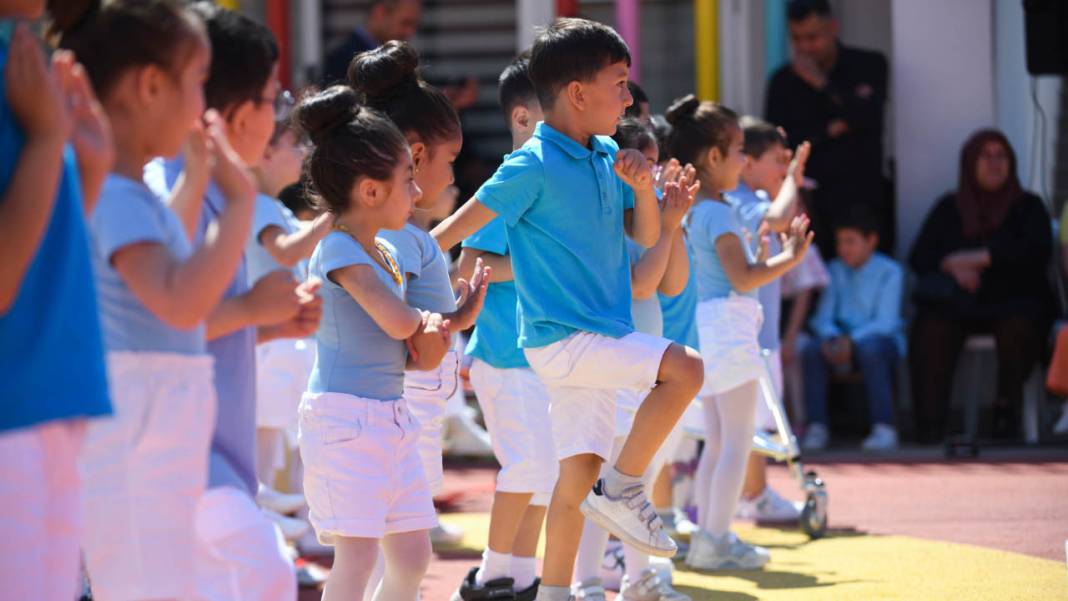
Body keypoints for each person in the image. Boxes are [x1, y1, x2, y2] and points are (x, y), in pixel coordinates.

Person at [431, 19, 706, 601]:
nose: (629, 98)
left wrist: (642, 192)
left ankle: (555, 590)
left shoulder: (609, 153)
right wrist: (395, 254)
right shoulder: (530, 164)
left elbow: (645, 232)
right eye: (620, 83)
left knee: (574, 478)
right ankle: (625, 487)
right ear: (578, 93)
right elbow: (457, 230)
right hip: (566, 340)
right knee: (687, 368)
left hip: (596, 339)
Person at [58, 3, 256, 598]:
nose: (204, 104)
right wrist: (239, 207)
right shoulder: (117, 196)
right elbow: (176, 299)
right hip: (139, 414)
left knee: (161, 575)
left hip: (153, 407)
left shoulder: (130, 194)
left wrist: (197, 180)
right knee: (147, 581)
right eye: (197, 82)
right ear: (149, 86)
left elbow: (162, 256)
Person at [145, 5, 318, 598]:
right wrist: (250, 311)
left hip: (207, 456)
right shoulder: (175, 191)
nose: (278, 115)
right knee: (266, 577)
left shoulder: (216, 188)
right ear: (243, 112)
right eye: (275, 98)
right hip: (181, 458)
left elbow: (196, 325)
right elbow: (158, 320)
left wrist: (266, 324)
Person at [294, 84, 453, 601]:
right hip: (344, 420)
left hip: (389, 417)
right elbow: (396, 321)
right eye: (407, 180)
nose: (418, 193)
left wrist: (445, 318)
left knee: (411, 556)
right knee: (358, 555)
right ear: (369, 191)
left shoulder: (382, 248)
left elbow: (419, 330)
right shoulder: (337, 246)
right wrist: (424, 323)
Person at [347, 40, 489, 549]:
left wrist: (460, 308)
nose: (455, 173)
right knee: (395, 547)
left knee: (407, 552)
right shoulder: (388, 237)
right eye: (452, 159)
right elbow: (397, 321)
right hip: (399, 411)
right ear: (418, 153)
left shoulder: (409, 237)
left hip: (418, 410)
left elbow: (427, 315)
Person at [667, 94, 811, 571]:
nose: (742, 161)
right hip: (728, 329)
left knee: (719, 441)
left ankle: (711, 536)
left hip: (708, 328)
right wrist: (788, 259)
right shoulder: (720, 212)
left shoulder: (697, 209)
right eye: (737, 152)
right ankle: (716, 538)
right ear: (713, 157)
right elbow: (744, 276)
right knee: (736, 441)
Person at [0, 6, 112, 600]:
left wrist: (83, 170)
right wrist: (48, 143)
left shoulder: (24, 61)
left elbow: (42, 249)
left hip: (49, 406)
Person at [571, 118, 696, 601]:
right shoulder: (603, 223)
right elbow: (640, 283)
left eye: (656, 162)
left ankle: (635, 579)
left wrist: (673, 225)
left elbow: (672, 283)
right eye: (646, 163)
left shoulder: (646, 221)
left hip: (642, 368)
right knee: (605, 482)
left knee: (631, 484)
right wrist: (664, 226)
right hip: (612, 364)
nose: (655, 172)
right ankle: (585, 584)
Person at [451, 53, 557, 601]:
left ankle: (518, 577)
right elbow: (466, 268)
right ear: (522, 118)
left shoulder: (556, 183)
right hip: (505, 355)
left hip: (541, 358)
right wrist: (545, 265)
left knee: (545, 474)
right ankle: (489, 577)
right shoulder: (509, 182)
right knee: (527, 468)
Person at [908, 129, 1053, 442]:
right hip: (961, 303)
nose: (994, 163)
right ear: (970, 163)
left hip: (1014, 301)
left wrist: (982, 258)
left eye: (1001, 156)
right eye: (985, 156)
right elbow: (920, 256)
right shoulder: (950, 207)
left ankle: (1006, 412)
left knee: (1021, 325)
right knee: (931, 326)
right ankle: (930, 425)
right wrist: (952, 266)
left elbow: (1036, 250)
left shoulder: (1028, 206)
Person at [246, 113, 332, 526]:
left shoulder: (271, 205)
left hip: (277, 342)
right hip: (267, 345)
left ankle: (288, 535)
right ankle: (272, 535)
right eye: (292, 144)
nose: (302, 153)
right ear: (264, 153)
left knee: (281, 447)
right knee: (262, 452)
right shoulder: (257, 203)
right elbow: (285, 251)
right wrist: (335, 216)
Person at [725, 117, 807, 522]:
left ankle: (753, 493)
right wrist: (793, 179)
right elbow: (774, 219)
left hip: (760, 332)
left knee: (755, 423)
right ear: (748, 162)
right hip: (748, 334)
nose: (783, 169)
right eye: (778, 160)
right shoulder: (739, 199)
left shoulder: (746, 195)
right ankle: (752, 496)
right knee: (751, 424)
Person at [765, 0, 888, 257]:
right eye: (797, 39)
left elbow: (870, 117)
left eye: (813, 37)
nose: (805, 47)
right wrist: (830, 130)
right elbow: (777, 142)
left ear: (833, 27)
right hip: (811, 205)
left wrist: (822, 84)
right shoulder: (782, 82)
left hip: (861, 197)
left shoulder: (869, 64)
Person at [801, 207, 905, 451]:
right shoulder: (835, 269)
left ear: (871, 241)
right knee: (811, 350)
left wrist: (852, 340)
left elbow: (886, 322)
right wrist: (833, 338)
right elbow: (823, 317)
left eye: (851, 241)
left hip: (877, 341)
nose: (843, 249)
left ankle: (884, 427)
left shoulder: (890, 271)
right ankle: (817, 426)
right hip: (840, 338)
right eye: (840, 242)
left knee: (872, 350)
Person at [322, 0, 422, 84]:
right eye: (405, 23)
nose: (410, 32)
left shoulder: (400, 59)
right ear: (380, 13)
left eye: (414, 25)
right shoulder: (342, 60)